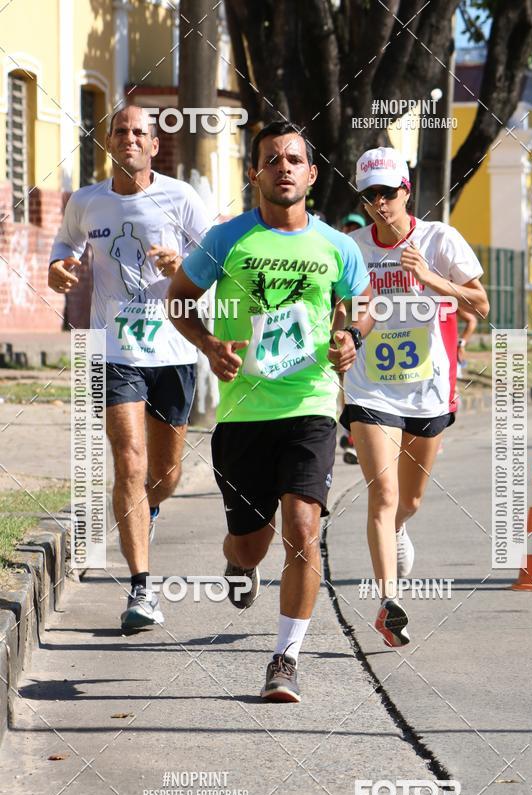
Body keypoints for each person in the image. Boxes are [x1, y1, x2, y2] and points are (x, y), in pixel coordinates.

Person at [167, 121, 371, 703]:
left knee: (304, 530)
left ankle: (285, 657)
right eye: (271, 159)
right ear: (254, 173)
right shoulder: (226, 240)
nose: (284, 167)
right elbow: (177, 298)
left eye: (295, 159)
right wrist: (209, 345)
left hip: (309, 405)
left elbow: (358, 307)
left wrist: (350, 334)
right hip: (242, 414)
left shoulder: (338, 246)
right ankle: (238, 563)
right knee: (251, 542)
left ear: (311, 174)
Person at [48, 105, 210, 631]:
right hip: (113, 351)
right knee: (129, 461)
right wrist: (58, 271)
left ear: (154, 146)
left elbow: (217, 264)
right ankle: (142, 589)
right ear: (109, 141)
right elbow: (63, 248)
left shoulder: (182, 198)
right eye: (121, 130)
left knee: (164, 476)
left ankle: (150, 512)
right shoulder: (86, 201)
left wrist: (182, 268)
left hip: (175, 350)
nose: (131, 138)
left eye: (141, 132)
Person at [342, 147, 489, 648]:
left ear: (407, 192)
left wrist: (430, 279)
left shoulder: (439, 238)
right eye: (371, 194)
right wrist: (349, 336)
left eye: (388, 192)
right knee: (382, 494)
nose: (380, 202)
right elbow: (351, 308)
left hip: (428, 390)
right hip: (370, 387)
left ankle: (400, 528)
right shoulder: (353, 248)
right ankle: (389, 602)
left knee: (410, 500)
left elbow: (482, 305)